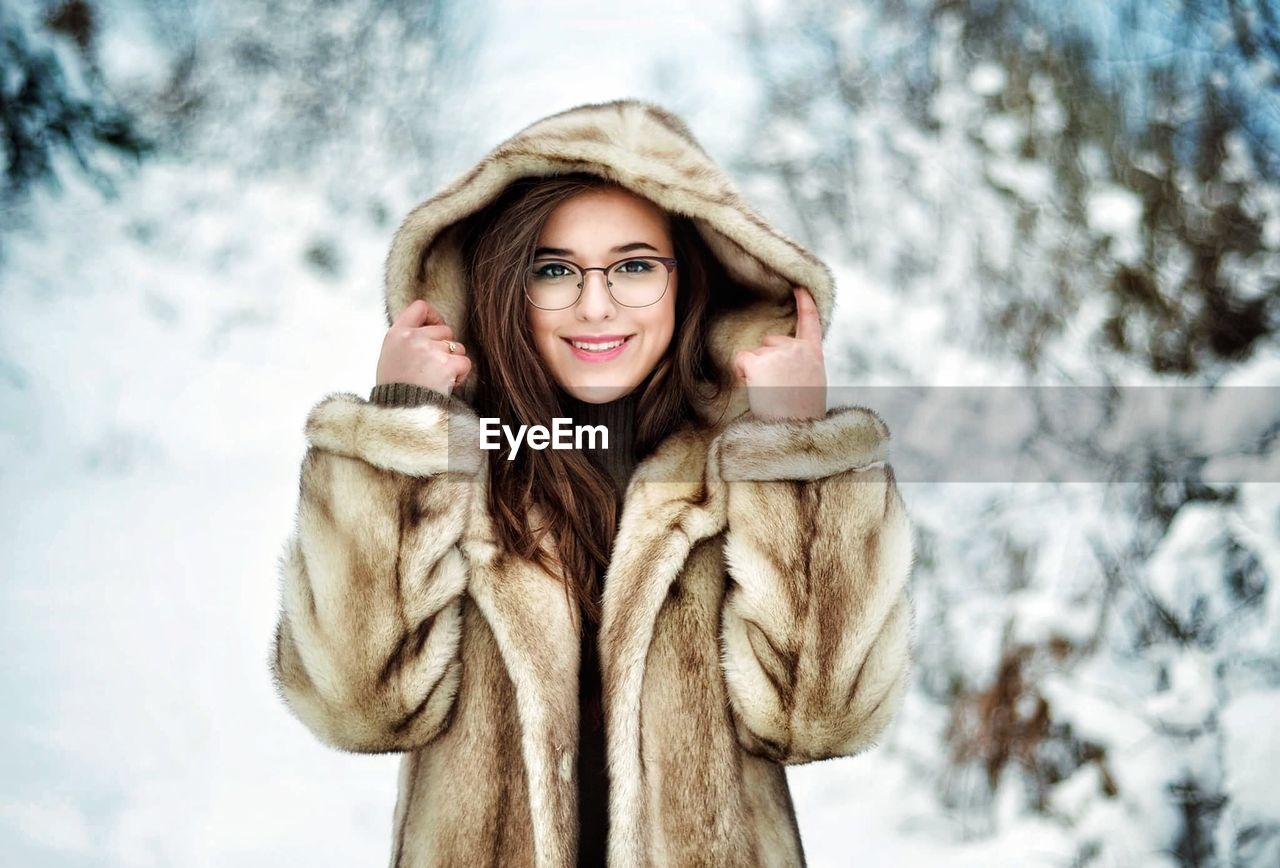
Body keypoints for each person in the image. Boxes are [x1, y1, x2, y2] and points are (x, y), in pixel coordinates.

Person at [269, 98, 915, 868]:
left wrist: (795, 449)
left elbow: (821, 719)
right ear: (505, 284)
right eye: (554, 270)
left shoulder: (743, 472)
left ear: (690, 280)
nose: (596, 304)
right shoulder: (455, 471)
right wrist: (405, 432)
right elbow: (359, 706)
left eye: (636, 265)